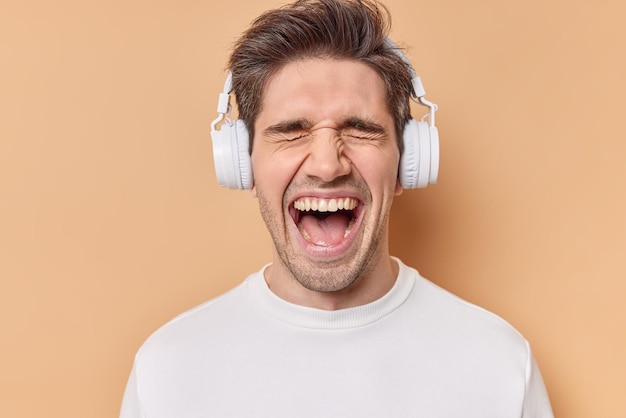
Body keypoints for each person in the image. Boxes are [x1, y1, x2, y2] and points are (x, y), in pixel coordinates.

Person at [120, 0, 554, 416]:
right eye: (292, 131)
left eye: (360, 129)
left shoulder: (498, 364)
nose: (327, 165)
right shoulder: (167, 371)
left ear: (408, 161)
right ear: (242, 164)